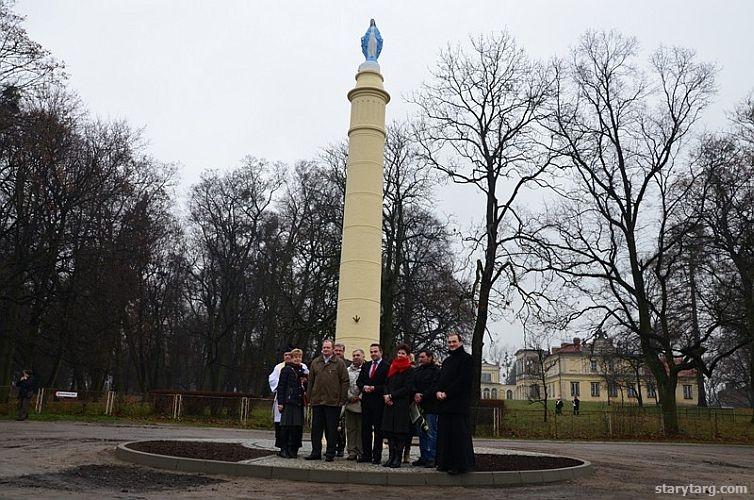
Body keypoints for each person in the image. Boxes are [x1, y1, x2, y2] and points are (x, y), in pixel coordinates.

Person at [434, 332, 475, 475]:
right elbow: (441, 380)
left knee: (458, 436)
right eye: (449, 342)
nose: (451, 344)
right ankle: (444, 463)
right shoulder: (447, 361)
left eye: (454, 342)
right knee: (445, 436)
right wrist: (438, 391)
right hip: (445, 405)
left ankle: (460, 465)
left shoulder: (467, 359)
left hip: (458, 405)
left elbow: (463, 381)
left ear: (460, 342)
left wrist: (447, 393)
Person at [305, 339, 349, 462]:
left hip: (333, 402)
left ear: (332, 349)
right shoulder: (315, 362)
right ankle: (315, 452)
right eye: (324, 348)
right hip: (317, 401)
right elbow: (310, 381)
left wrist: (342, 399)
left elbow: (345, 381)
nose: (326, 350)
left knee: (331, 430)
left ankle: (330, 453)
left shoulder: (339, 363)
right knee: (316, 429)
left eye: (328, 348)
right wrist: (309, 397)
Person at [380, 344, 415, 468]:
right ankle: (391, 457)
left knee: (399, 433)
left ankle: (398, 458)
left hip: (401, 404)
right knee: (389, 432)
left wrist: (392, 396)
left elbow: (407, 388)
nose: (400, 355)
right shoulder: (392, 367)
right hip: (389, 404)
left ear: (407, 355)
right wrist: (386, 395)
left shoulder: (409, 370)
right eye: (399, 353)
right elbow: (386, 383)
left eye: (403, 353)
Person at [356, 343, 389, 464]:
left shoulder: (386, 366)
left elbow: (387, 384)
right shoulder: (366, 365)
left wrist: (374, 388)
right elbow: (359, 381)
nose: (373, 354)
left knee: (379, 431)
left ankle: (377, 456)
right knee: (365, 429)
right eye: (371, 352)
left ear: (380, 352)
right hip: (366, 402)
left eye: (375, 351)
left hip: (379, 402)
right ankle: (366, 455)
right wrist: (363, 387)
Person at [411, 349, 440, 468]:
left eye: (423, 357)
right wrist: (415, 393)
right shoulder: (417, 371)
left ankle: (432, 457)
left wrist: (423, 395)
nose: (420, 359)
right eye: (419, 357)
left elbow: (435, 386)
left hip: (431, 406)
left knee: (431, 433)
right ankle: (424, 456)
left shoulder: (436, 371)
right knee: (421, 433)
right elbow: (412, 384)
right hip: (419, 407)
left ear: (430, 357)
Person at [277, 349, 307, 458]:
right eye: (295, 357)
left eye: (299, 357)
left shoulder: (303, 371)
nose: (297, 359)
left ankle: (294, 448)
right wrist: (281, 402)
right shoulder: (286, 370)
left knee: (297, 427)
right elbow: (281, 386)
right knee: (286, 426)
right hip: (289, 402)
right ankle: (284, 448)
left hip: (299, 402)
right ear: (292, 358)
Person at [344, 348, 365, 460]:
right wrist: (349, 396)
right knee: (351, 429)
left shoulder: (366, 369)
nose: (356, 357)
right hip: (350, 402)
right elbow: (344, 384)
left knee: (361, 428)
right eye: (354, 355)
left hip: (362, 403)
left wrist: (360, 397)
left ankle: (361, 451)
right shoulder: (347, 370)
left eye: (358, 355)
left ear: (363, 356)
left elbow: (367, 384)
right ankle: (351, 451)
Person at [333, 342, 351, 457]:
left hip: (343, 398)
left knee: (341, 426)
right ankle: (332, 446)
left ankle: (341, 447)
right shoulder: (329, 362)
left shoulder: (348, 364)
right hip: (331, 398)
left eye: (340, 350)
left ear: (343, 351)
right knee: (331, 425)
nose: (338, 352)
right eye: (336, 350)